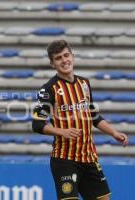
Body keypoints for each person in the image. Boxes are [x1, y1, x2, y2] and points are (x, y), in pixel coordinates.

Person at [32, 39, 128, 200]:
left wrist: (114, 133)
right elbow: (37, 124)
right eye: (58, 58)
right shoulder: (48, 89)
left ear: (73, 56)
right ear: (52, 64)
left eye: (66, 55)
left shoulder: (84, 84)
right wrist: (63, 131)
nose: (64, 60)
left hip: (89, 157)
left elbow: (93, 115)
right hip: (64, 159)